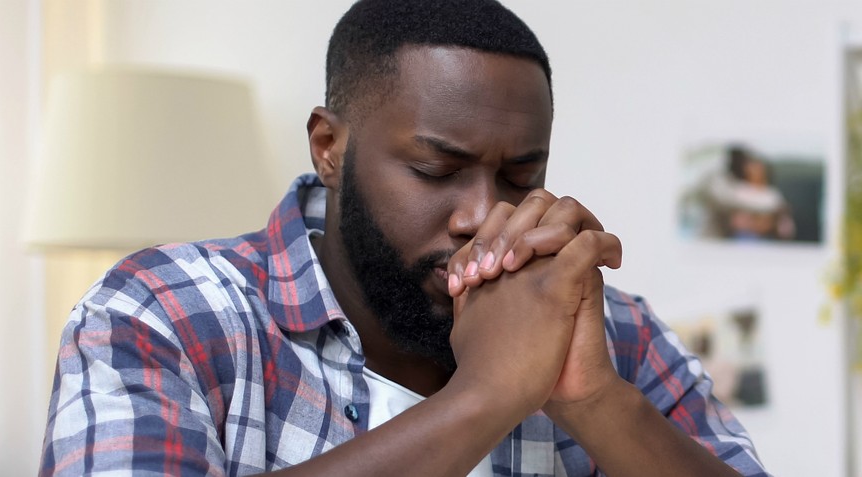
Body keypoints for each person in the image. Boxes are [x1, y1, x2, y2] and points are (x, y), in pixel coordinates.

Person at [39, 1, 770, 475]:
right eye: (435, 168)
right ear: (328, 146)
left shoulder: (613, 332)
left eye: (521, 174)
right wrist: (485, 395)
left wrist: (596, 401)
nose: (481, 213)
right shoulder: (162, 315)